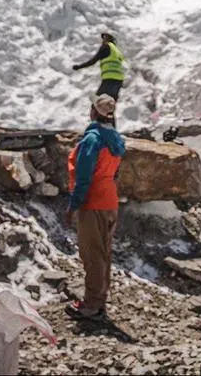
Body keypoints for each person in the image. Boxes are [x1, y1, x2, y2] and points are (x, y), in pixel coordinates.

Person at [65, 94, 126, 328]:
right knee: (104, 253)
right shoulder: (116, 139)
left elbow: (83, 177)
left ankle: (91, 305)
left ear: (93, 111)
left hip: (93, 201)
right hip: (110, 199)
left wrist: (73, 205)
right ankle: (99, 300)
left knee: (92, 255)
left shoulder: (92, 139)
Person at [72, 31, 126, 101]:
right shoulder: (117, 51)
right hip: (119, 81)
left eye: (105, 37)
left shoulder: (106, 47)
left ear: (110, 39)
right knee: (110, 105)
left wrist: (79, 66)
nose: (103, 40)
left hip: (109, 79)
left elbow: (93, 61)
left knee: (99, 103)